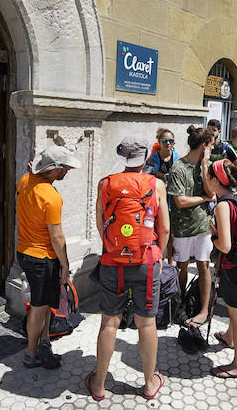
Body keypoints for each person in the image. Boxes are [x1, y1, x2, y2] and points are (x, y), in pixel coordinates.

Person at [87, 138, 170, 401]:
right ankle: (148, 383)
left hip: (113, 261)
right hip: (146, 261)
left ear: (121, 158)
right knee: (146, 324)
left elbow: (100, 222)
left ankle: (99, 385)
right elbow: (165, 228)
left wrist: (111, 248)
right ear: (145, 159)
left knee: (109, 322)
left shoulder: (106, 183)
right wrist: (159, 256)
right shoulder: (156, 185)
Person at [16, 145, 80, 369]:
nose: (68, 171)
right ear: (54, 170)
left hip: (25, 252)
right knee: (39, 307)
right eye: (65, 168)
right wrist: (65, 264)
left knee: (43, 306)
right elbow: (57, 237)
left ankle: (44, 343)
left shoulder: (24, 181)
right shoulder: (51, 197)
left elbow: (31, 177)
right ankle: (30, 354)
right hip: (42, 258)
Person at [205, 159, 237, 379]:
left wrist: (213, 234)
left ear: (215, 180)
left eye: (208, 176)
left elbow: (224, 245)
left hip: (235, 266)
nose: (206, 179)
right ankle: (229, 337)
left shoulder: (223, 205)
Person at [167, 125, 215, 328]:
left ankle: (204, 310)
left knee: (204, 266)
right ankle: (178, 305)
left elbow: (211, 192)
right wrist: (203, 198)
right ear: (204, 145)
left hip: (203, 226)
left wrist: (204, 166)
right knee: (182, 267)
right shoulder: (178, 167)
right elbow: (180, 201)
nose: (212, 149)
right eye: (211, 146)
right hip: (183, 227)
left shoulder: (207, 166)